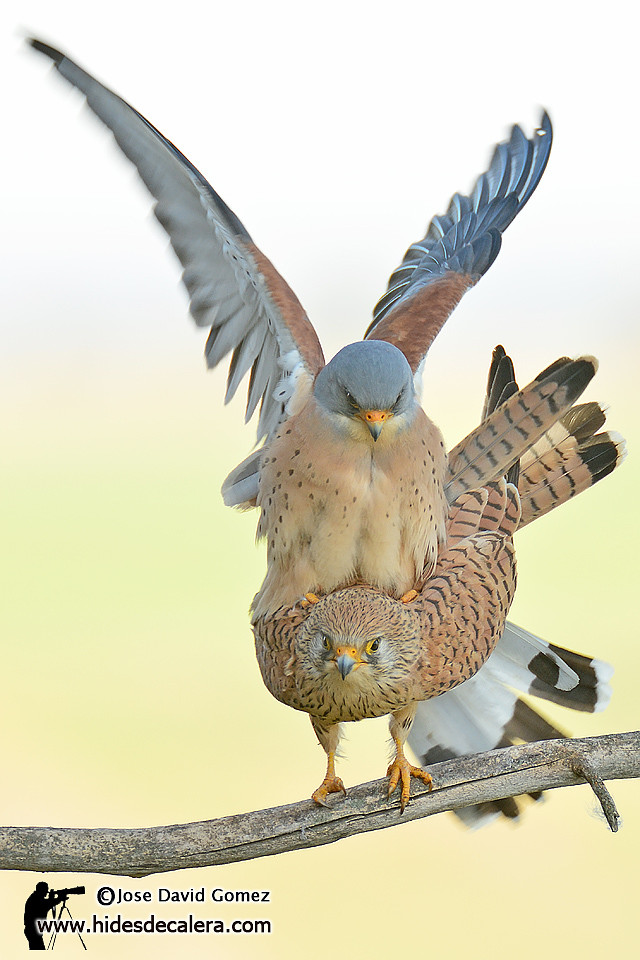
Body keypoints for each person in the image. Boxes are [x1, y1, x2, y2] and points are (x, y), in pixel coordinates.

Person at [23, 882, 66, 950]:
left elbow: (47, 904)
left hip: (33, 930)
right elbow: (45, 905)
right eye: (46, 890)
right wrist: (58, 899)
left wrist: (54, 899)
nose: (47, 893)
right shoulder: (35, 899)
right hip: (33, 930)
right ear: (41, 890)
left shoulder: (35, 897)